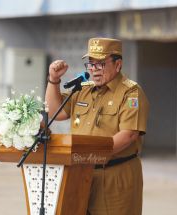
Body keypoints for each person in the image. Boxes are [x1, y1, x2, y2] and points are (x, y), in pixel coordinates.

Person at [45, 37, 149, 214]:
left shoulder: (131, 92)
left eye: (100, 64)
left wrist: (90, 156)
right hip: (80, 173)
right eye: (91, 64)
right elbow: (55, 111)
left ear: (118, 65)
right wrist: (54, 79)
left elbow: (128, 135)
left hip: (113, 175)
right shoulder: (83, 89)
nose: (94, 70)